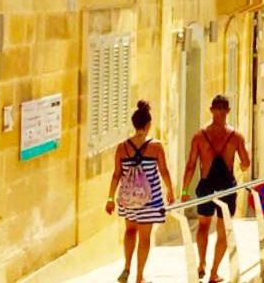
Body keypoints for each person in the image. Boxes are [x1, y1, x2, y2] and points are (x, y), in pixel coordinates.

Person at [182, 95, 251, 283]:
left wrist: (184, 191)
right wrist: (240, 166)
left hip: (206, 185)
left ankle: (201, 264)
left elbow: (190, 165)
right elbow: (246, 163)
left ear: (211, 109)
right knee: (223, 230)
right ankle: (214, 272)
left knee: (203, 225)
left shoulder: (199, 136)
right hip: (226, 188)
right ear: (228, 111)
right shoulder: (236, 137)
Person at [106, 101, 174, 283]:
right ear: (148, 124)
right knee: (144, 238)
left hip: (129, 200)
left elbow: (116, 175)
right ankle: (139, 277)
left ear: (134, 124)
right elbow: (164, 171)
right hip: (150, 201)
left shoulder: (122, 147)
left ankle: (127, 267)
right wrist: (170, 190)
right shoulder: (156, 146)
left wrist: (110, 198)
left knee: (130, 231)